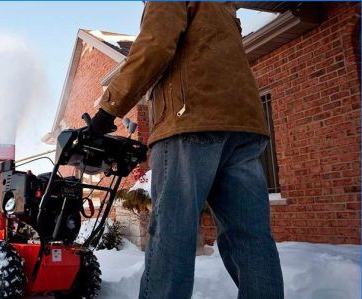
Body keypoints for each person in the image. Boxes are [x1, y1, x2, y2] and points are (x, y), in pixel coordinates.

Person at [88, 2, 284, 299]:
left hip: (189, 121)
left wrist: (108, 109)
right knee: (251, 239)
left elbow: (155, 44)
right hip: (243, 126)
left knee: (172, 234)